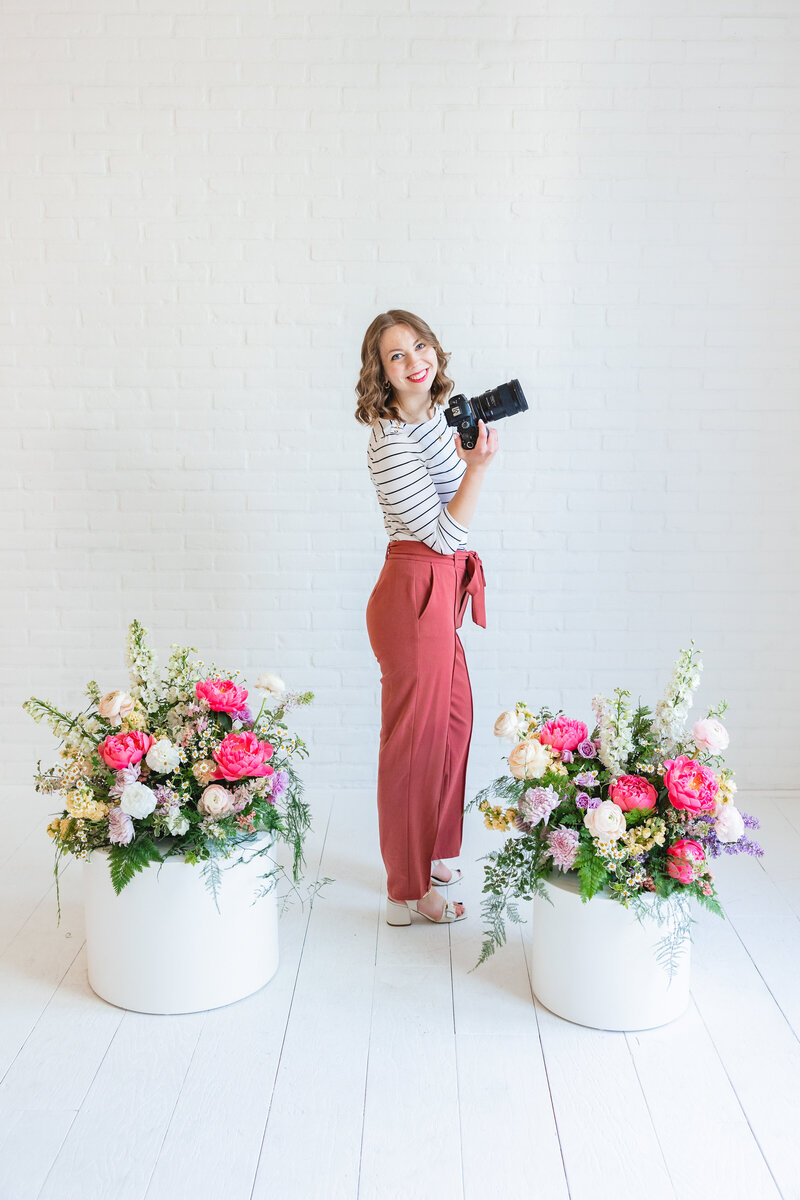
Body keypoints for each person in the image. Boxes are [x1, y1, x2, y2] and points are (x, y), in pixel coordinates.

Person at [355, 309, 498, 925]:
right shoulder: (388, 441)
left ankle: (431, 850)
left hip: (441, 591)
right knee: (412, 744)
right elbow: (442, 534)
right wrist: (478, 470)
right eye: (395, 355)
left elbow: (452, 521)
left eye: (419, 345)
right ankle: (405, 887)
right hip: (413, 590)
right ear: (381, 374)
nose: (414, 359)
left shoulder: (437, 419)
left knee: (455, 724)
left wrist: (469, 459)